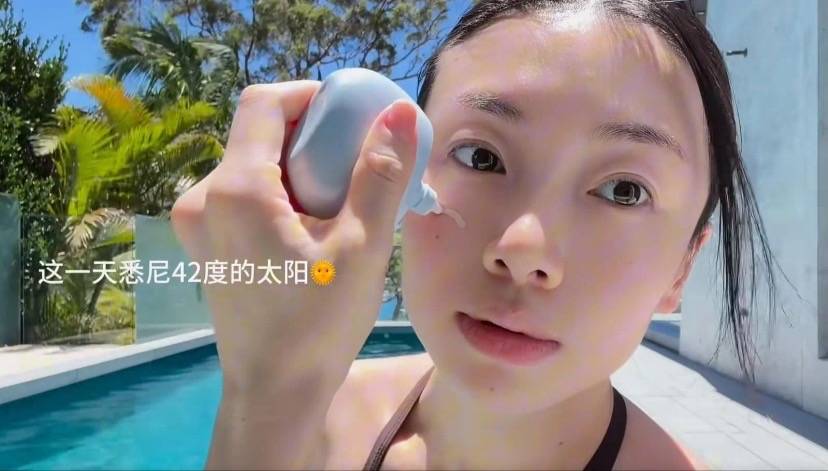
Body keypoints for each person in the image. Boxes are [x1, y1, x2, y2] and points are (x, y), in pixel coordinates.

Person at [171, 0, 782, 469]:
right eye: (481, 157)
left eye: (624, 190)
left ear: (682, 268)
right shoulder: (309, 414)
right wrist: (272, 400)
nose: (522, 248)